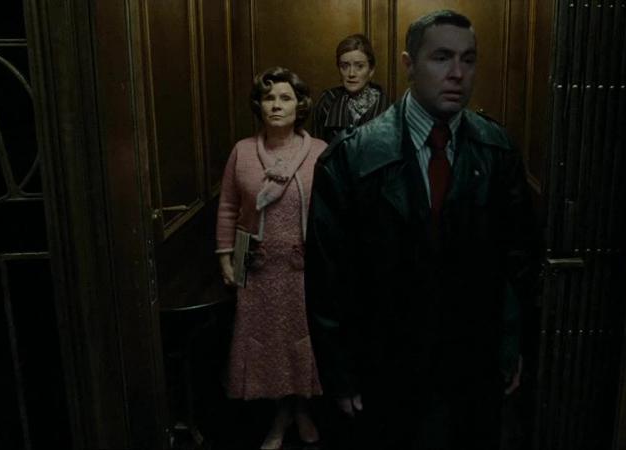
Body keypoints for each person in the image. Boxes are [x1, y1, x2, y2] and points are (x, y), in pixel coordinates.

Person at [305, 10, 540, 450]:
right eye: (442, 57)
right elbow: (328, 279)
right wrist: (340, 374)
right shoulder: (352, 158)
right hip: (385, 366)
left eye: (468, 59)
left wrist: (510, 348)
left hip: (471, 365)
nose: (457, 73)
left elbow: (516, 263)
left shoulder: (497, 150)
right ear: (409, 64)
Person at [216, 67, 326, 450]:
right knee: (270, 347)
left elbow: (332, 214)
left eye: (285, 98)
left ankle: (302, 411)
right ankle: (280, 415)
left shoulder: (320, 152)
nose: (276, 105)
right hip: (258, 268)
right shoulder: (242, 152)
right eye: (269, 98)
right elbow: (228, 207)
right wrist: (226, 258)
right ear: (259, 105)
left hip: (303, 270)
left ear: (300, 106)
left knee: (301, 344)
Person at [311, 34, 390, 143]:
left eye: (359, 66)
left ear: (371, 70)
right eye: (345, 66)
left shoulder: (387, 108)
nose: (351, 73)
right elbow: (316, 147)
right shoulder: (327, 101)